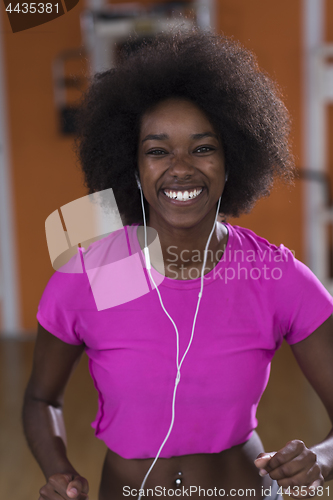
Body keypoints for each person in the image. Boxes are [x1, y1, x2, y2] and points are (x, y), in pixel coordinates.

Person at [23, 29, 333, 500]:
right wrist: (59, 470)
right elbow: (41, 399)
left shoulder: (276, 277)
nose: (181, 167)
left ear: (232, 161)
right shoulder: (89, 277)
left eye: (203, 148)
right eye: (157, 150)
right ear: (133, 167)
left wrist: (322, 461)